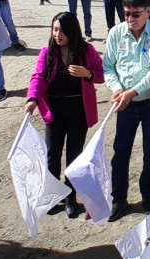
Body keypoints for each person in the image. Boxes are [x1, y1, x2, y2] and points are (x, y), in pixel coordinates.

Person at [25, 12, 104, 218]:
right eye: (54, 29)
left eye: (61, 30)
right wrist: (32, 98)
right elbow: (39, 77)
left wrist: (87, 74)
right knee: (52, 154)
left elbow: (102, 73)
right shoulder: (47, 52)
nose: (57, 35)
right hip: (55, 110)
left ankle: (70, 196)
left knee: (74, 155)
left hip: (78, 109)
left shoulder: (87, 51)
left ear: (72, 31)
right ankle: (52, 195)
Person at [103, 0, 150, 221]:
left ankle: (148, 195)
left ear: (148, 12)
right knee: (121, 152)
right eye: (126, 14)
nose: (130, 19)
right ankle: (119, 199)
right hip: (124, 105)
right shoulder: (116, 33)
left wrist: (133, 91)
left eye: (136, 14)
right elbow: (108, 66)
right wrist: (118, 89)